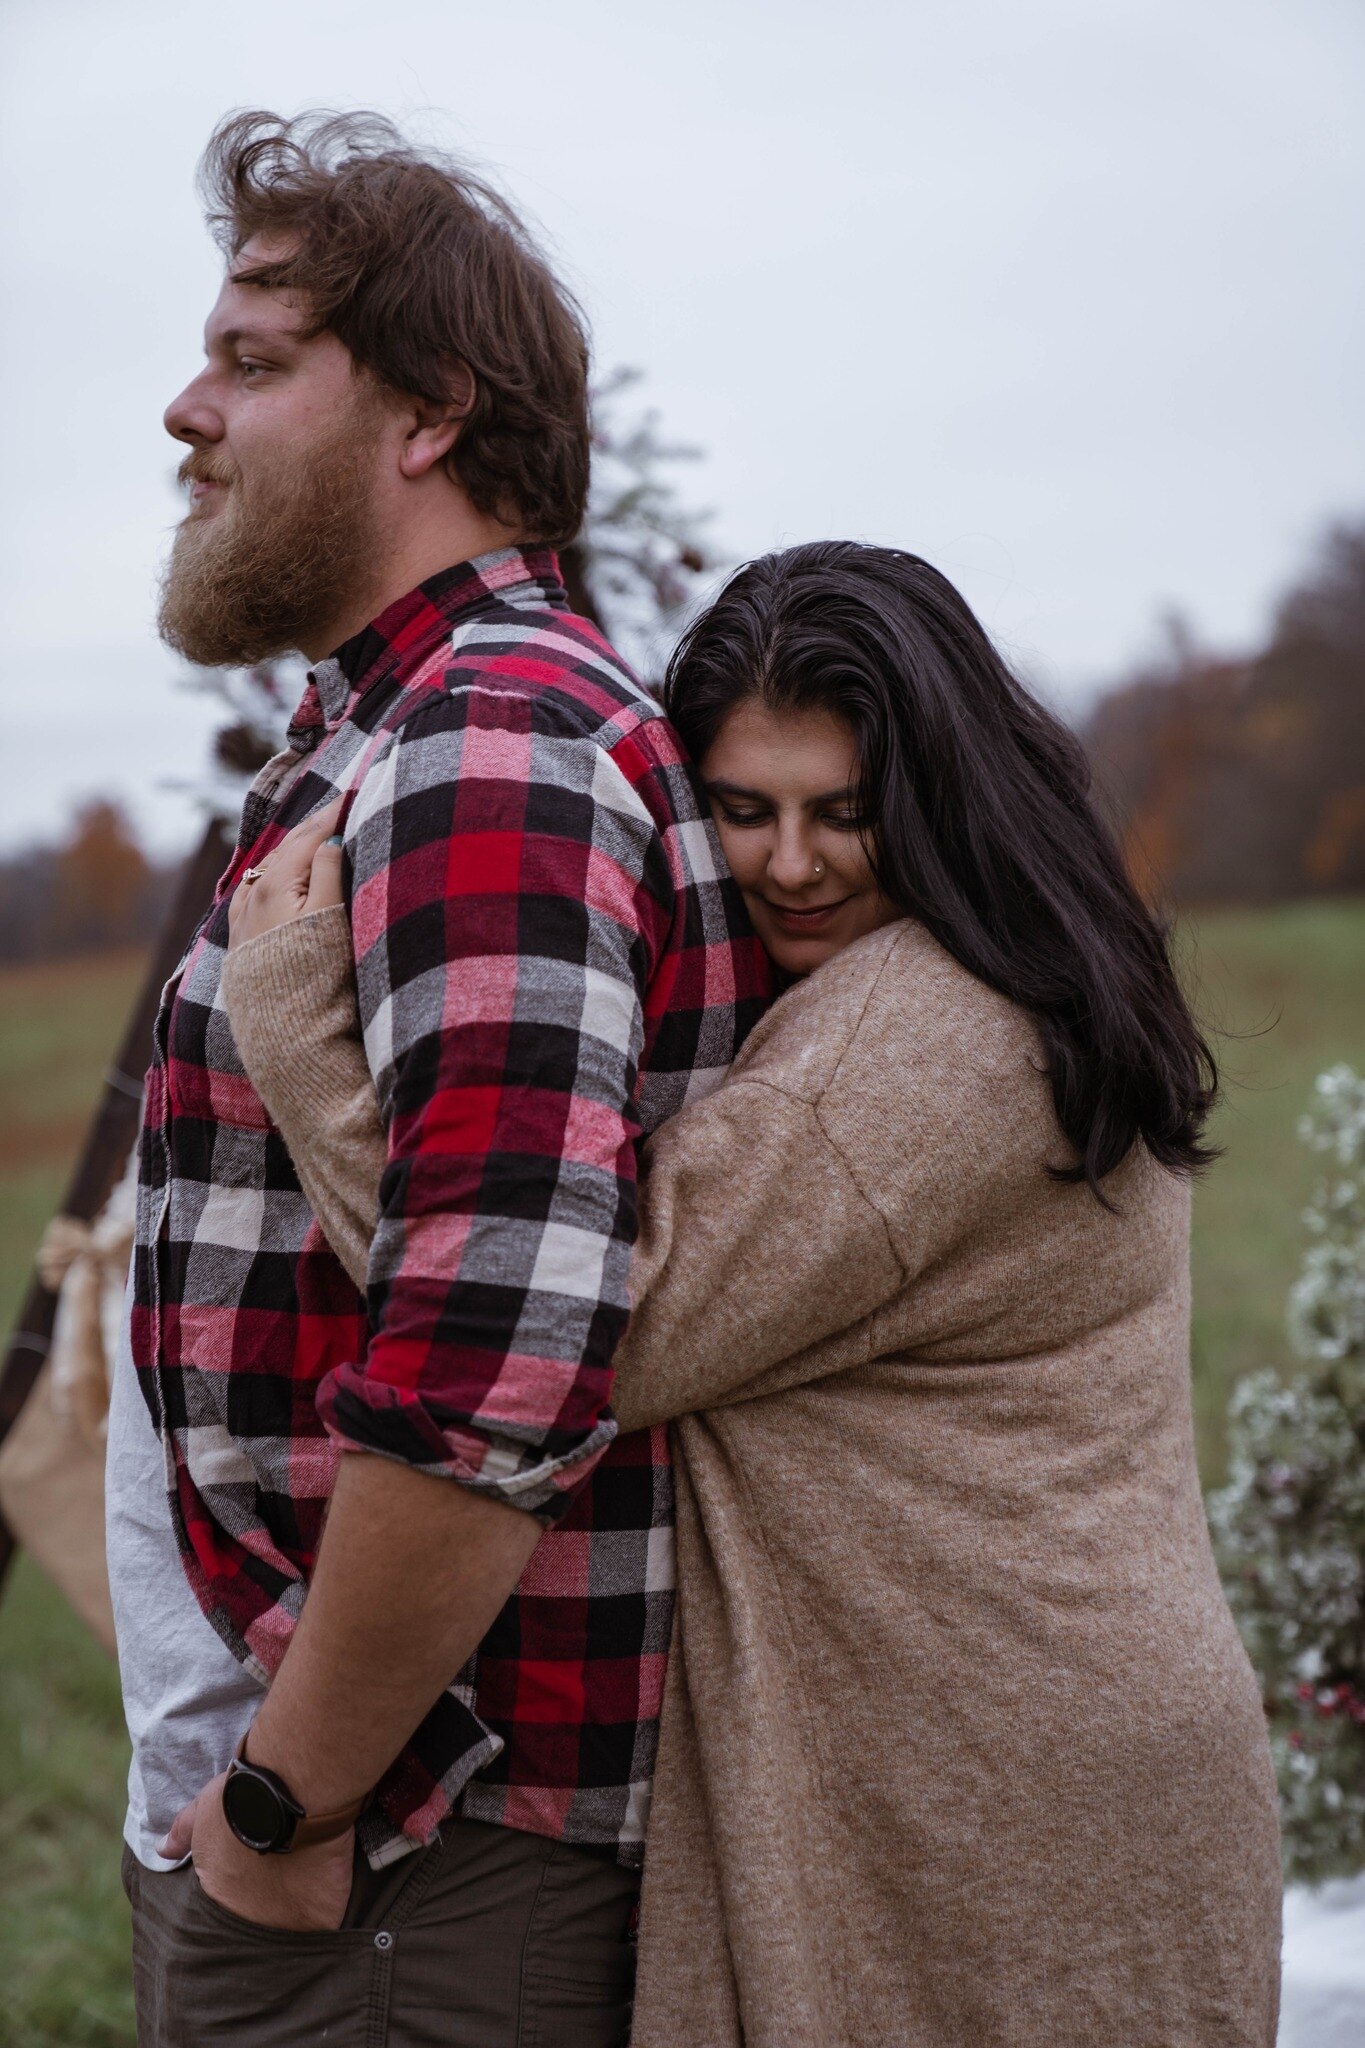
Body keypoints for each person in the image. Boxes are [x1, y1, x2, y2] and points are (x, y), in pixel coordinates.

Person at [223, 541, 1284, 2047]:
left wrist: (297, 1033)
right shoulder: (1019, 979)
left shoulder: (922, 1044)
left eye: (845, 813)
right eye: (742, 809)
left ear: (944, 795)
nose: (790, 864)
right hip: (1040, 1740)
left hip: (999, 1800)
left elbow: (567, 1324)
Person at [107, 109, 767, 2048]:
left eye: (250, 360)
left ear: (427, 415)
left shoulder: (490, 744)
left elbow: (495, 1356)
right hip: (362, 1846)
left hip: (405, 1862)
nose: (183, 412)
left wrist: (284, 1807)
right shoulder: (388, 735)